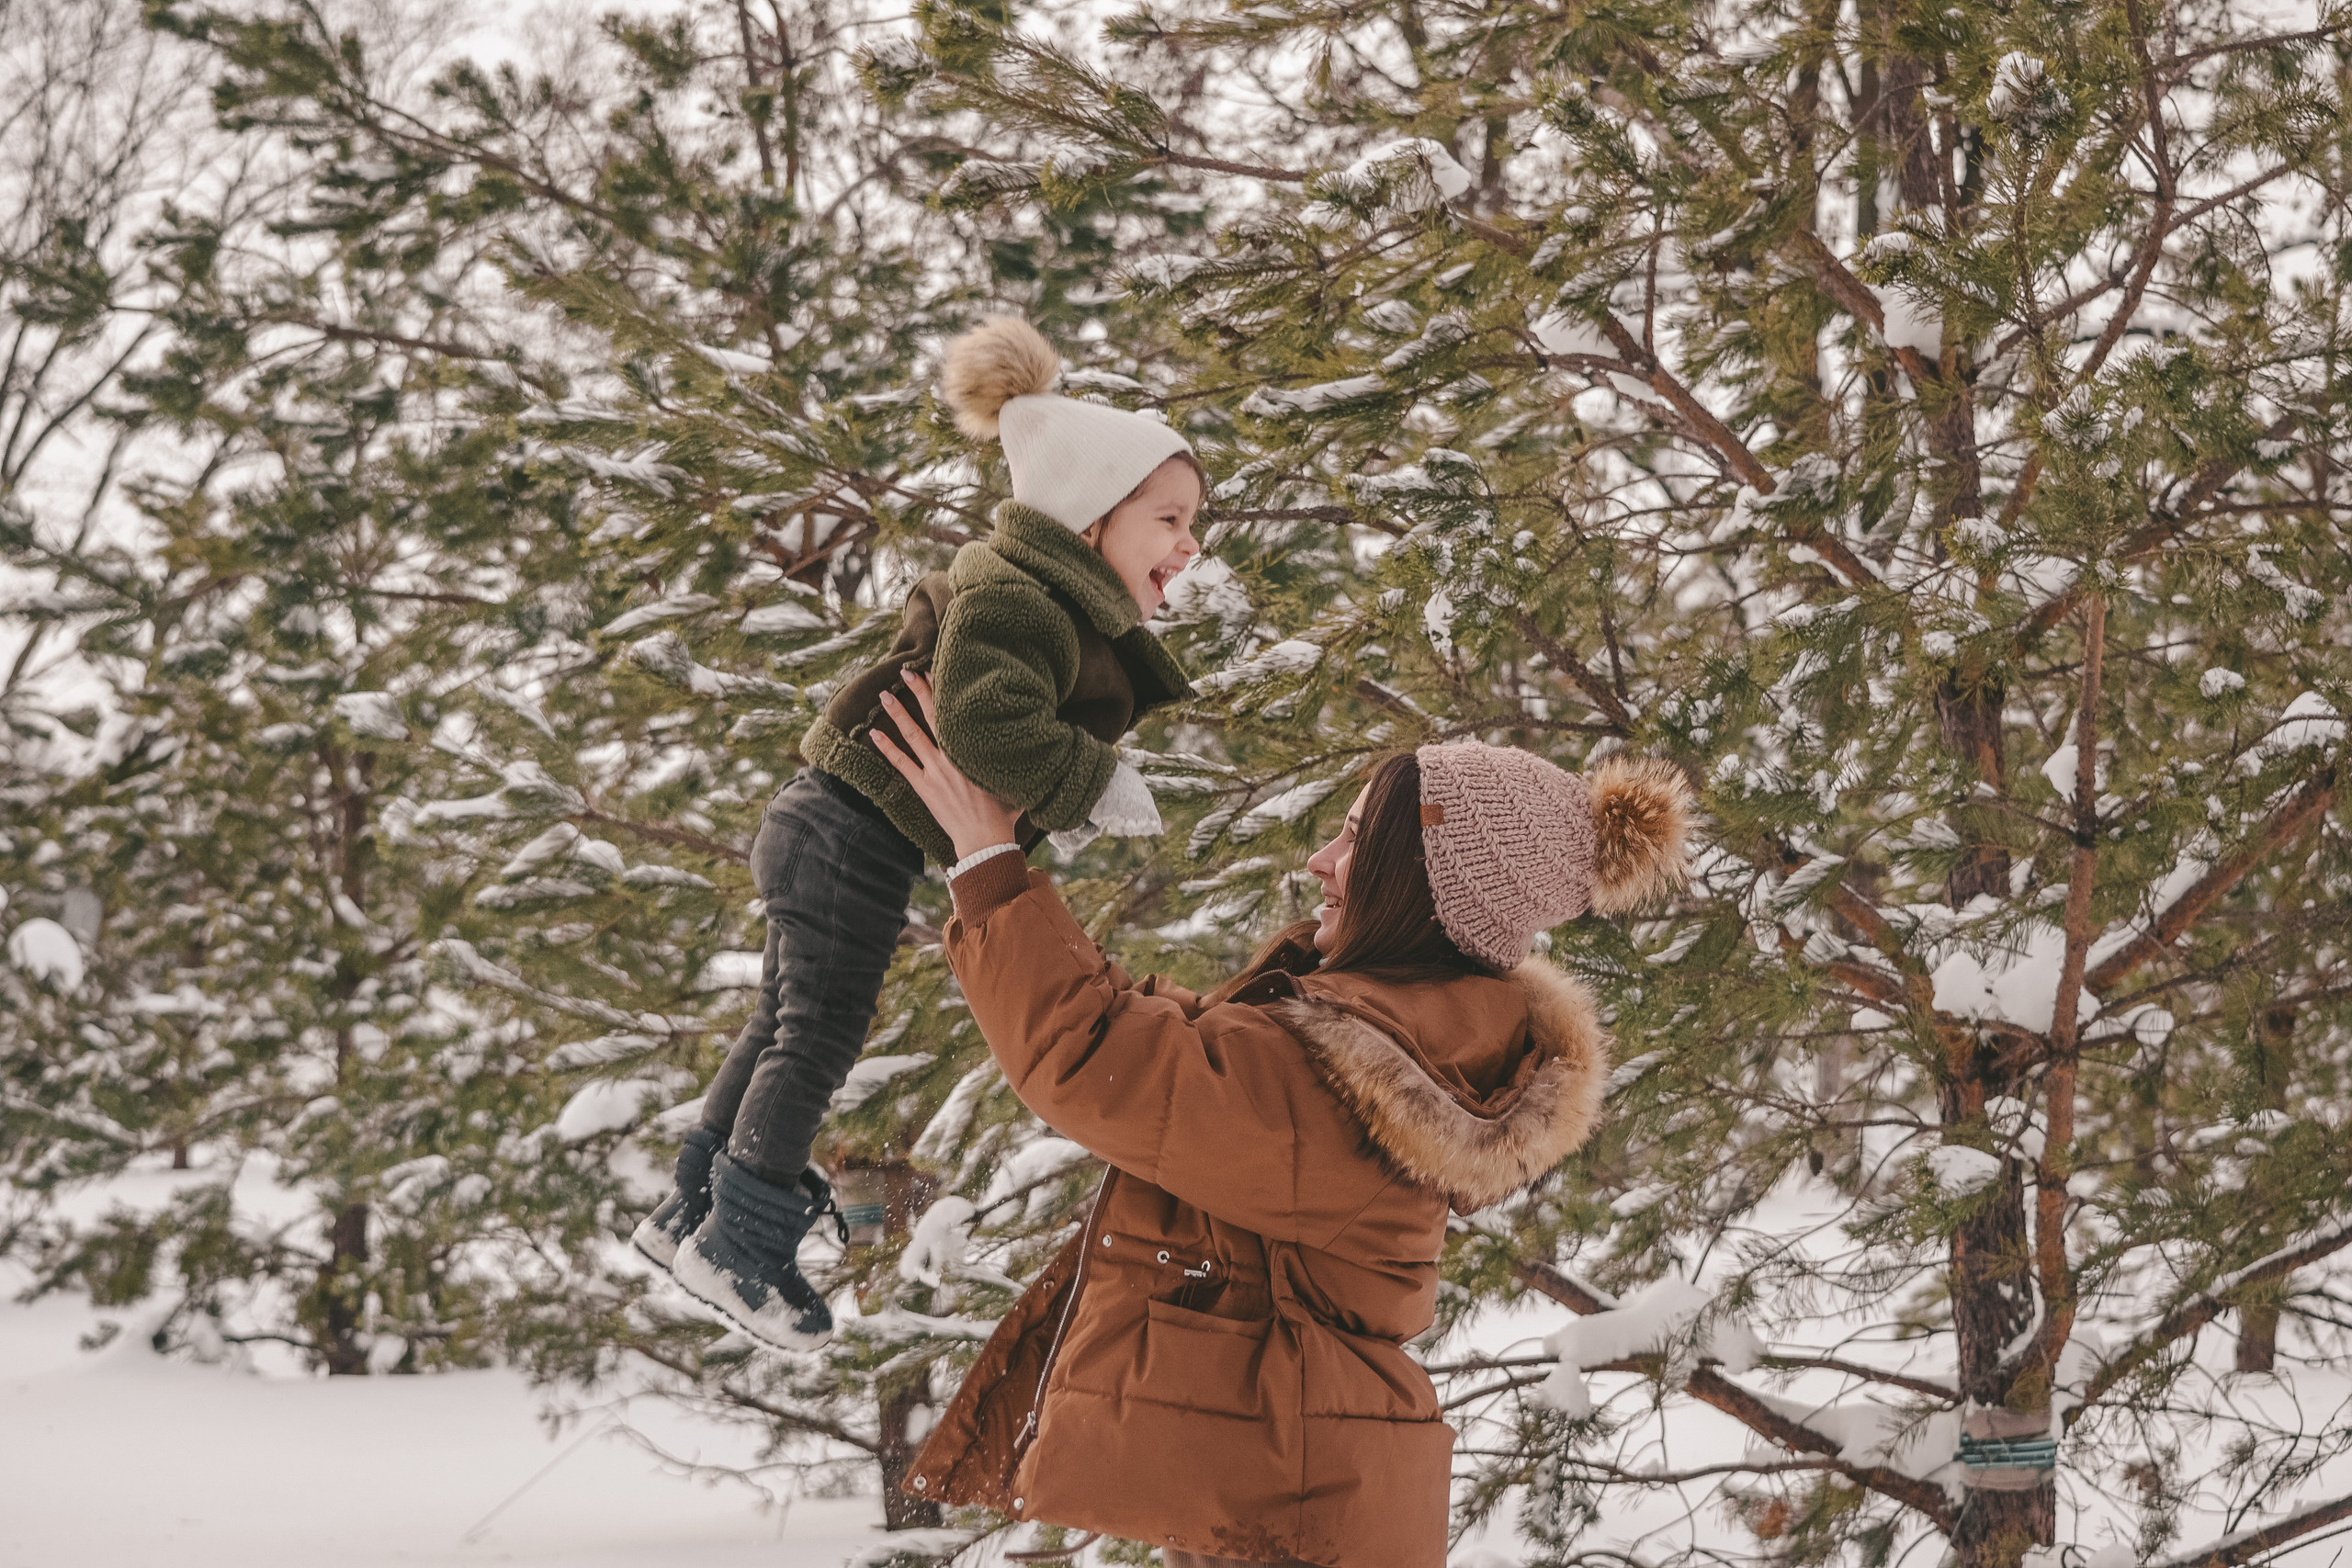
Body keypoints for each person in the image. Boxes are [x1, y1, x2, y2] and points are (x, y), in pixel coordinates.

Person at [874, 672, 1693, 1568]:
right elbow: (1192, 1046)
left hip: (1294, 1518)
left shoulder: (1359, 1073)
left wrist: (989, 865)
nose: (1319, 863)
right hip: (1299, 1502)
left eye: (1354, 841)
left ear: (1422, 883)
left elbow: (1107, 1059)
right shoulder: (1414, 1046)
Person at [631, 318, 1206, 1352]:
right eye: (1167, 518)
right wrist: (1090, 782)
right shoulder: (1017, 597)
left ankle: (694, 1206)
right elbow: (982, 724)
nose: (1189, 543)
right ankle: (740, 1240)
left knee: (781, 1020)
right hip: (847, 833)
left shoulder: (1030, 595)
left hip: (827, 823)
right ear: (1087, 520)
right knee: (818, 1029)